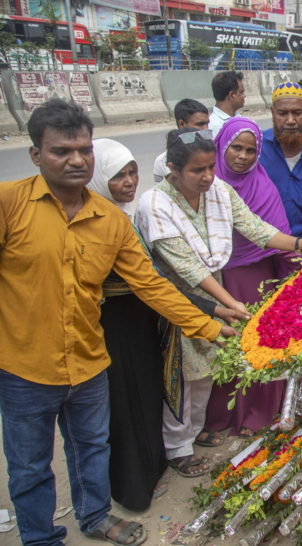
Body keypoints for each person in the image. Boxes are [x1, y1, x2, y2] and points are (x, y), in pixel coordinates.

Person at [0, 99, 234, 546]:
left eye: (84, 150)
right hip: (25, 368)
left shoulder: (109, 219)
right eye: (61, 151)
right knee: (29, 466)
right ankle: (40, 537)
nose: (76, 160)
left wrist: (209, 326)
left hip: (89, 362)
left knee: (93, 448)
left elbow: (151, 285)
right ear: (36, 155)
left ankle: (94, 516)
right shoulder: (9, 204)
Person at [135, 128, 302, 478]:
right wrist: (231, 303)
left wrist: (298, 244)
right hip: (176, 297)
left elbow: (255, 228)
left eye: (210, 168)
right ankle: (177, 448)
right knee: (182, 375)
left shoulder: (218, 190)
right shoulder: (154, 204)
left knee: (207, 369)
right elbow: (187, 268)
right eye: (197, 171)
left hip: (212, 287)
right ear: (173, 169)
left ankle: (193, 431)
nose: (207, 177)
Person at [87, 138, 248, 511]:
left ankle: (176, 446)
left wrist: (214, 311)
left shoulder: (122, 214)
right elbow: (166, 276)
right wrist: (219, 308)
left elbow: (153, 281)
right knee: (172, 380)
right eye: (118, 176)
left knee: (189, 376)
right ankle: (173, 451)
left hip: (162, 307)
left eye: (132, 172)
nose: (129, 182)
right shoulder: (128, 211)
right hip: (122, 321)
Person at [203, 117, 299, 438]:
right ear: (222, 146)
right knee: (223, 344)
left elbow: (274, 233)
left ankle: (258, 414)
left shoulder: (262, 186)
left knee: (257, 341)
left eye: (250, 151)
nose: (242, 156)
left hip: (256, 276)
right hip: (213, 276)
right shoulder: (206, 182)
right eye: (236, 148)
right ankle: (222, 415)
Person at [259, 82, 302, 239]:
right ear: (272, 113)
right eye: (282, 113)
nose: (290, 120)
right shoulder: (256, 148)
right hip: (269, 245)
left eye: (297, 113)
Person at [154, 99, 211, 184]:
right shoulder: (162, 161)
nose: (206, 129)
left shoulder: (212, 153)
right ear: (182, 124)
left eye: (207, 124)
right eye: (200, 124)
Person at [208, 71, 245, 135]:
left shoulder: (240, 118)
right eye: (241, 92)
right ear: (232, 95)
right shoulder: (215, 126)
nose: (244, 96)